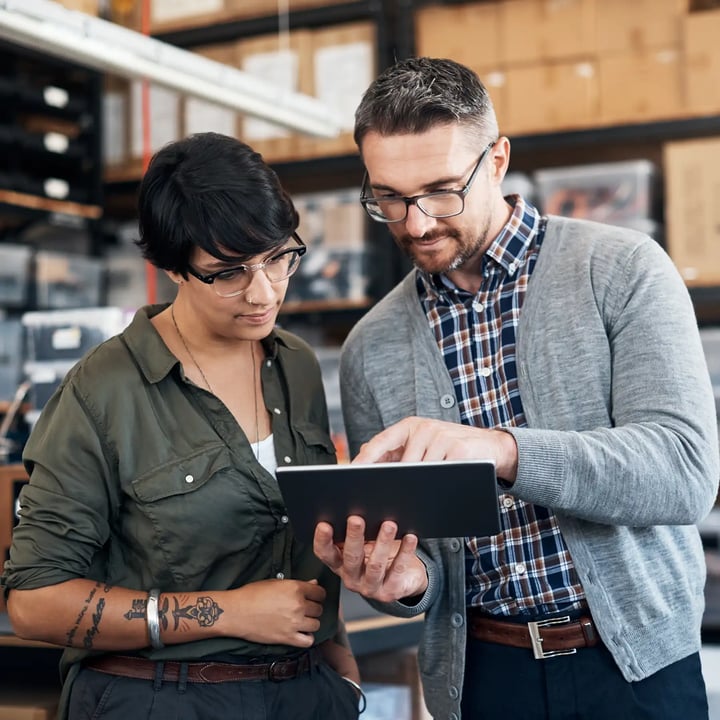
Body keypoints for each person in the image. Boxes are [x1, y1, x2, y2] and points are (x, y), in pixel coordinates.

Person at [313, 57, 720, 720]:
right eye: (388, 197)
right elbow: (421, 570)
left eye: (440, 191)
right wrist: (403, 582)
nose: (414, 224)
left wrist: (502, 451)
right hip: (485, 680)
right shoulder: (371, 348)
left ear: (497, 160)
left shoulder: (622, 270)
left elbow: (683, 473)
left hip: (637, 669)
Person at [2, 132, 362, 720]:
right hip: (160, 697)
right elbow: (35, 602)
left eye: (279, 257)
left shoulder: (294, 364)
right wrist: (230, 612)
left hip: (302, 690)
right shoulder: (102, 392)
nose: (264, 291)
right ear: (172, 267)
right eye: (228, 273)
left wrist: (335, 653)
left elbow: (300, 536)